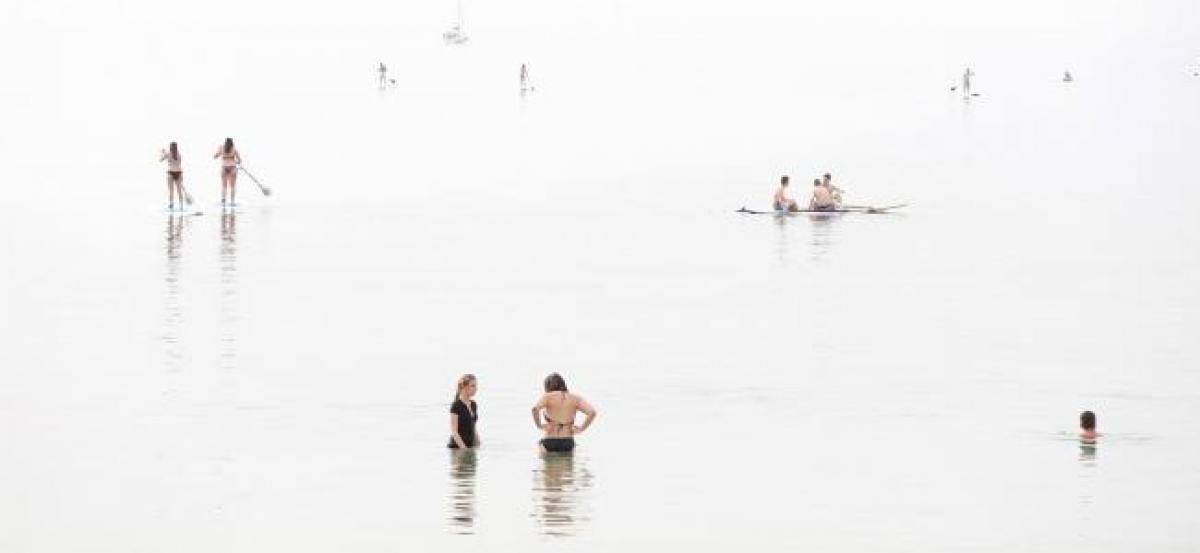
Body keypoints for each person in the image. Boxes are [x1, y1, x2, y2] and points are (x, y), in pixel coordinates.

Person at [531, 373, 596, 452]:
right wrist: (581, 429)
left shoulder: (547, 397)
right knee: (568, 463)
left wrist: (539, 426)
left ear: (547, 386)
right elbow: (592, 412)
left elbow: (535, 409)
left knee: (545, 460)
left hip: (550, 440)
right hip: (567, 441)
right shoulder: (576, 398)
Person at [448, 374, 480, 449]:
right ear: (464, 387)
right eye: (473, 386)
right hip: (457, 448)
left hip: (470, 447)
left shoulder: (473, 404)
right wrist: (464, 449)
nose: (476, 388)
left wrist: (478, 445)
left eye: (476, 386)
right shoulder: (456, 405)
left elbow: (473, 428)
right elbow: (454, 432)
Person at [213, 138, 242, 206]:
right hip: (233, 168)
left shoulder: (222, 148)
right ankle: (232, 201)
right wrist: (236, 161)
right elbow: (239, 160)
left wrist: (219, 150)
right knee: (232, 186)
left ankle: (223, 200)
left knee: (224, 185)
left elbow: (215, 156)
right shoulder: (234, 150)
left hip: (224, 168)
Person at [159, 142, 184, 209]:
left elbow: (160, 160)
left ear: (170, 147)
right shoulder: (179, 154)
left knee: (171, 190)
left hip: (171, 173)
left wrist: (163, 152)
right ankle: (181, 205)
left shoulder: (169, 154)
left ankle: (171, 205)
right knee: (179, 190)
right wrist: (165, 154)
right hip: (179, 173)